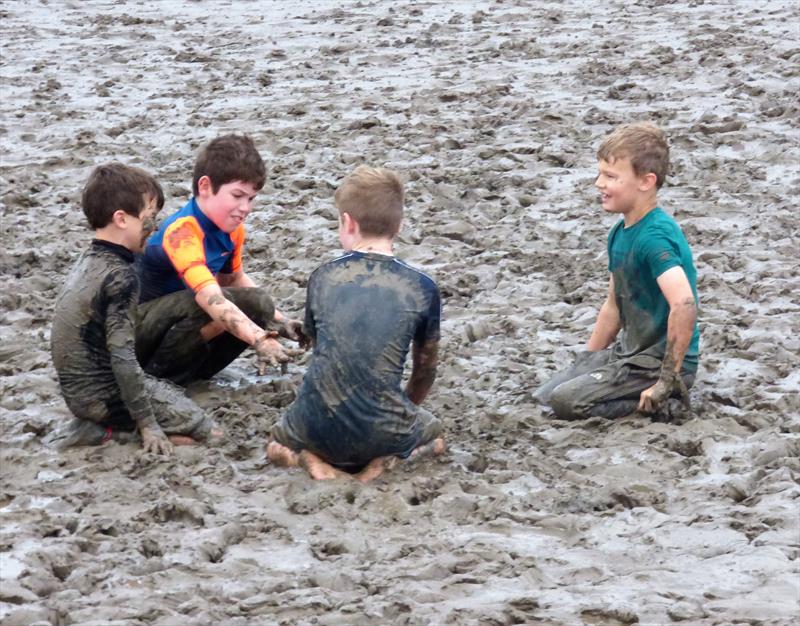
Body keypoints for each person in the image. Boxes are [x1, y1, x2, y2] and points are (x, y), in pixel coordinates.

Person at [267, 166, 445, 482]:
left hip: (317, 425)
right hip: (382, 429)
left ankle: (310, 461)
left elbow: (323, 356)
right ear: (399, 225)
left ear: (348, 223)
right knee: (436, 439)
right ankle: (383, 465)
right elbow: (425, 371)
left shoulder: (321, 278)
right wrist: (403, 408)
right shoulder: (423, 288)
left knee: (275, 446)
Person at [534, 122, 700, 420]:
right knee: (545, 395)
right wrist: (586, 361)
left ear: (645, 182)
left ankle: (669, 400)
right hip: (628, 354)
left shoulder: (654, 237)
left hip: (655, 364)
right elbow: (613, 306)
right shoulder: (619, 232)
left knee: (565, 402)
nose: (599, 183)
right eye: (600, 174)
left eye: (610, 176)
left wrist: (666, 379)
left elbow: (684, 304)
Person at [50, 163, 219, 454]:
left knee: (176, 410)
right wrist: (148, 424)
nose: (153, 229)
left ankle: (106, 426)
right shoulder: (121, 277)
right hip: (103, 397)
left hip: (77, 396)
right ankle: (111, 433)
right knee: (209, 432)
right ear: (121, 219)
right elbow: (123, 357)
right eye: (149, 219)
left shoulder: (87, 261)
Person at [135, 134, 305, 385]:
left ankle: (196, 374)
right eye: (237, 196)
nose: (245, 207)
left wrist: (281, 321)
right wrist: (259, 338)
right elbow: (208, 296)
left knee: (260, 303)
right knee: (216, 303)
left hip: (179, 327)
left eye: (251, 198)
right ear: (205, 187)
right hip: (138, 336)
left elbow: (234, 279)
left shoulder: (233, 230)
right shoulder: (182, 231)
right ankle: (157, 379)